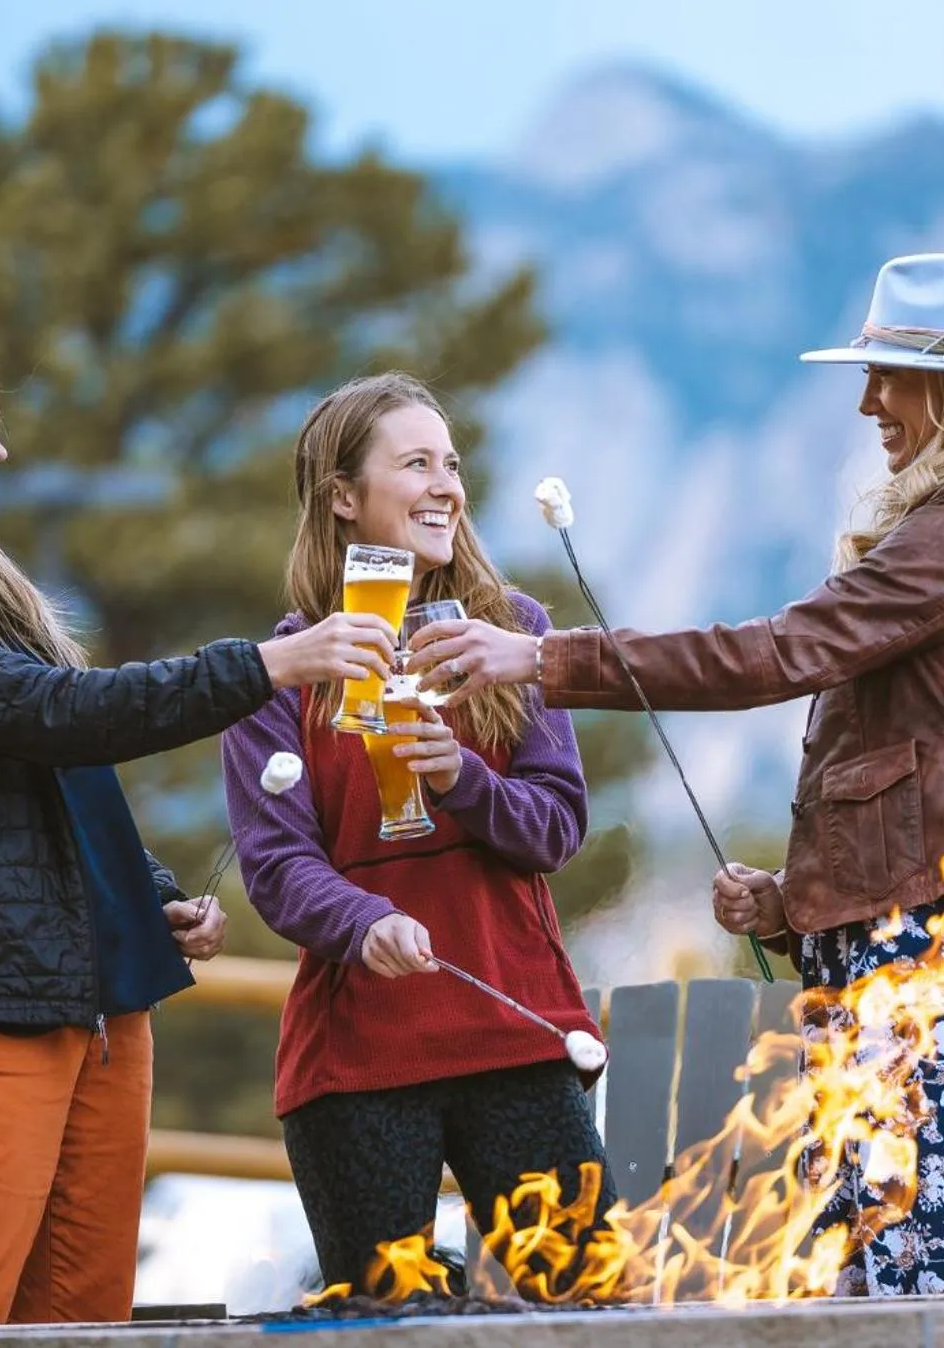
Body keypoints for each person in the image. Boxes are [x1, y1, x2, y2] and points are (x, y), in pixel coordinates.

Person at [404, 254, 944, 1296]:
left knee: (935, 1254)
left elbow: (777, 654)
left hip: (941, 944)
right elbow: (917, 770)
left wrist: (541, 658)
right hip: (922, 932)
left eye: (888, 373)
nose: (867, 401)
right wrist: (796, 900)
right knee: (902, 1243)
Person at [0, 322, 396, 1327]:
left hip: (92, 1005)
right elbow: (56, 714)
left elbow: (49, 776)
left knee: (83, 1324)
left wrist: (149, 894)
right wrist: (269, 665)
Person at [220, 372, 611, 1298]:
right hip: (357, 1058)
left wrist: (461, 778)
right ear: (343, 497)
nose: (446, 487)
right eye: (417, 464)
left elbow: (556, 826)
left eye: (452, 465)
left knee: (589, 1308)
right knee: (388, 1324)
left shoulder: (513, 631)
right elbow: (276, 866)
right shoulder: (281, 669)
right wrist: (364, 921)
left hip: (517, 1035)